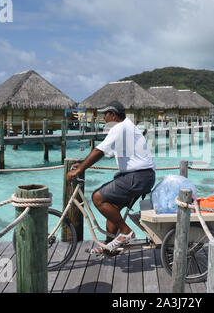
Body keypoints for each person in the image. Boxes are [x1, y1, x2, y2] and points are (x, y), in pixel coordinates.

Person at [66, 100, 156, 255]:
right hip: (141, 176)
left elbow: (99, 151)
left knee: (97, 198)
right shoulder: (126, 126)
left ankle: (126, 231)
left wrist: (79, 169)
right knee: (112, 208)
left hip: (137, 177)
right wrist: (83, 162)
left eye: (105, 115)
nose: (104, 118)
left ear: (113, 114)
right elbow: (106, 152)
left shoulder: (120, 128)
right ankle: (110, 247)